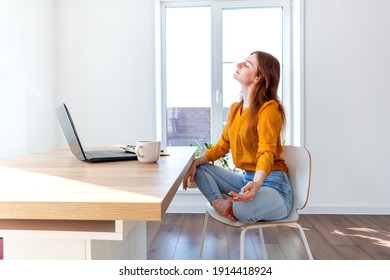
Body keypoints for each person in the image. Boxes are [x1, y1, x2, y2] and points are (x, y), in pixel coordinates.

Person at [183, 51, 292, 224]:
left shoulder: (269, 109)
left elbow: (266, 152)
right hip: (244, 180)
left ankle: (232, 203)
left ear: (258, 77)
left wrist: (256, 184)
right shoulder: (236, 109)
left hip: (273, 186)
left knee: (241, 209)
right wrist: (196, 161)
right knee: (200, 168)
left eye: (247, 64)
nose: (239, 65)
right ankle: (220, 203)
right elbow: (224, 144)